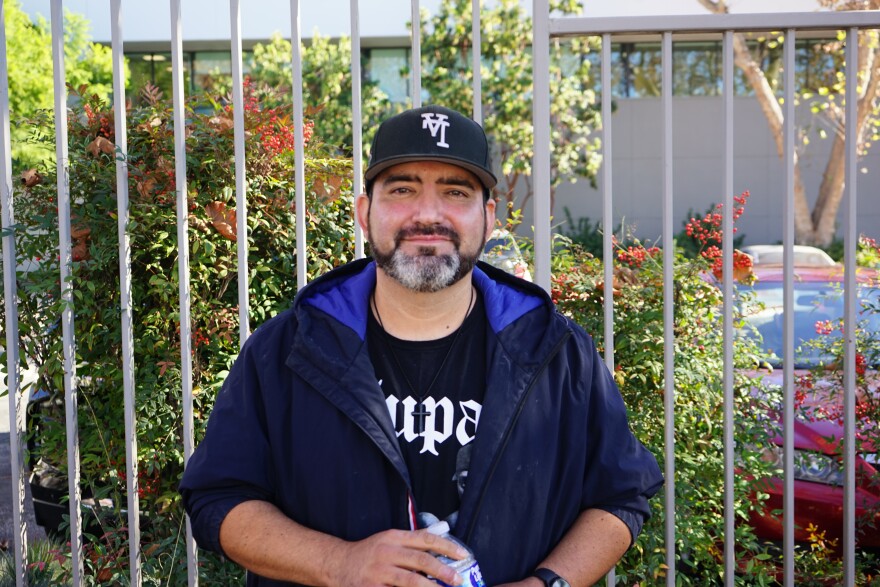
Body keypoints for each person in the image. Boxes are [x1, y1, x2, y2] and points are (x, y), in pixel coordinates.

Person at [180, 105, 664, 587]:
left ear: (488, 216)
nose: (428, 214)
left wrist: (546, 585)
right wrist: (339, 563)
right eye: (402, 190)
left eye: (456, 192)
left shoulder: (555, 352)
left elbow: (620, 495)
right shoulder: (287, 350)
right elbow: (218, 498)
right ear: (365, 212)